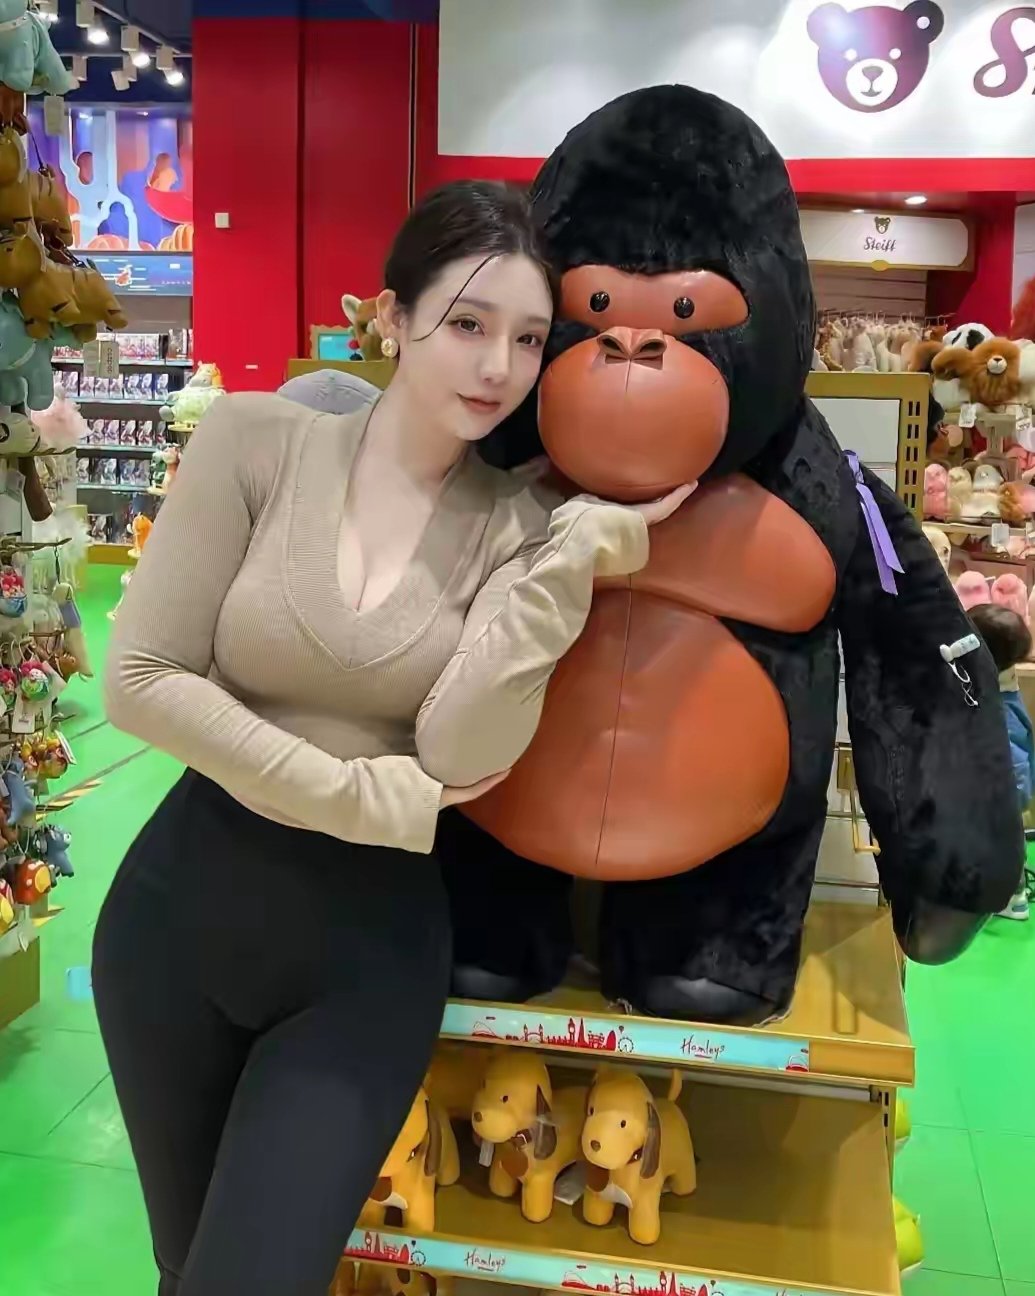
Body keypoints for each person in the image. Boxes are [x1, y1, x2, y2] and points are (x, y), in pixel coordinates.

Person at [95, 179, 693, 1296]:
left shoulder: (518, 527)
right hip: (171, 928)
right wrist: (363, 793)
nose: (497, 367)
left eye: (528, 339)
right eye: (467, 324)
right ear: (392, 317)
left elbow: (461, 753)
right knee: (182, 1269)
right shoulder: (254, 441)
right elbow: (137, 679)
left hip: (362, 961)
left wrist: (567, 559)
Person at [969, 602, 1034, 921]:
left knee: (1000, 848)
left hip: (1004, 793)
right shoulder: (1004, 683)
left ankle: (1010, 898)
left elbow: (1014, 760)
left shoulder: (999, 708)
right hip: (1007, 792)